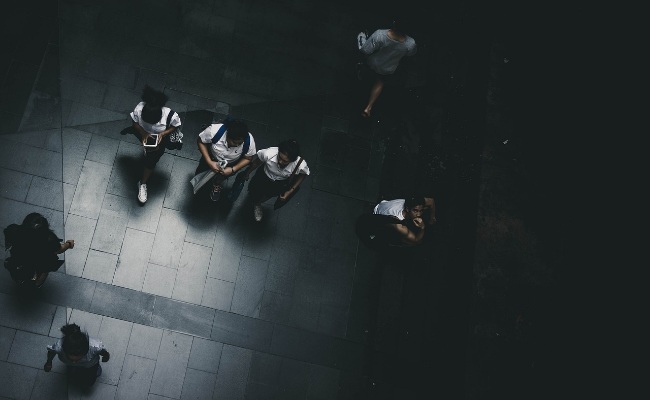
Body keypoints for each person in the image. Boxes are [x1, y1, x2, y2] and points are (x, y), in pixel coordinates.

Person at [130, 85, 182, 204]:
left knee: (151, 160)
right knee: (147, 151)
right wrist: (143, 133)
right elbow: (134, 123)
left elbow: (175, 126)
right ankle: (146, 151)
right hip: (143, 134)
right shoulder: (139, 108)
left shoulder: (170, 115)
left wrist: (162, 134)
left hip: (160, 139)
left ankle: (143, 183)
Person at [359, 19, 417, 118]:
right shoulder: (410, 44)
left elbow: (366, 50)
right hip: (388, 68)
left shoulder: (380, 34)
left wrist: (361, 37)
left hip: (372, 63)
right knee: (380, 81)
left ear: (394, 23)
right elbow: (411, 54)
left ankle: (360, 74)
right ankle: (368, 107)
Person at [243, 139, 310, 222]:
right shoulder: (268, 153)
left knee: (269, 195)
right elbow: (256, 163)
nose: (280, 162)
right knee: (254, 189)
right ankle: (254, 200)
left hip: (280, 183)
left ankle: (257, 204)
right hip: (263, 176)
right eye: (279, 157)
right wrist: (247, 173)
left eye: (285, 161)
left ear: (292, 160)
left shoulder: (300, 164)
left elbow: (303, 174)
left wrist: (290, 191)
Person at [3, 212, 74, 287]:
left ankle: (21, 279)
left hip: (20, 257)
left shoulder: (14, 230)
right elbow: (59, 250)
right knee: (44, 269)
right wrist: (69, 244)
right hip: (40, 260)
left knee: (19, 268)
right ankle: (37, 283)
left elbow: (8, 239)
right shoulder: (49, 240)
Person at [196, 117, 256, 201]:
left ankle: (217, 184)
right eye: (234, 142)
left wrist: (232, 169)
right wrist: (209, 162)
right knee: (201, 171)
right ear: (227, 135)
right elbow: (200, 141)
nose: (237, 145)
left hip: (230, 164)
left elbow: (248, 158)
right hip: (211, 158)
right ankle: (199, 182)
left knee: (223, 176)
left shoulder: (249, 140)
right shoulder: (213, 131)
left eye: (240, 143)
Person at [44, 323, 110, 387]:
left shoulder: (95, 347)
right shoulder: (58, 348)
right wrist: (49, 362)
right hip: (75, 365)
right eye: (71, 359)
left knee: (89, 382)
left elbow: (103, 352)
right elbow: (51, 352)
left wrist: (106, 356)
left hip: (90, 366)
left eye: (78, 359)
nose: (74, 362)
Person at [372, 196, 436, 246]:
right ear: (407, 209)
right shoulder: (398, 224)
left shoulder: (412, 201)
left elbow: (431, 201)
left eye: (421, 210)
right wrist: (422, 227)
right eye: (415, 210)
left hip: (383, 204)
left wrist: (432, 219)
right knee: (415, 242)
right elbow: (416, 239)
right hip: (378, 216)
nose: (419, 214)